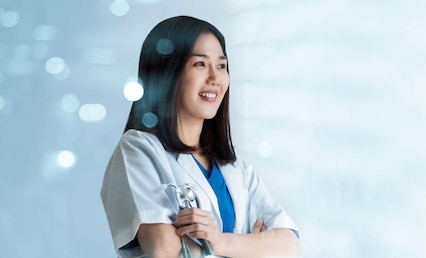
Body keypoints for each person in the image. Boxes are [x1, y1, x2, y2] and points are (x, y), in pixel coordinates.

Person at [100, 16, 300, 258]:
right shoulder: (138, 150)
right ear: (167, 73)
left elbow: (289, 245)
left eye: (222, 66)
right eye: (200, 64)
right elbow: (164, 250)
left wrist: (218, 243)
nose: (215, 79)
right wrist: (251, 246)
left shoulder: (236, 169)